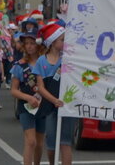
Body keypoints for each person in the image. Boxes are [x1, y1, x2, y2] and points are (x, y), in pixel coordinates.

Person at [35, 23, 74, 165]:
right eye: (62, 40)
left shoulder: (68, 59)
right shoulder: (41, 61)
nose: (64, 42)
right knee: (51, 145)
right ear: (52, 42)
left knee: (65, 142)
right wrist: (54, 100)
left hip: (66, 105)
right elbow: (40, 87)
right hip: (50, 106)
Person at [10, 27, 46, 165]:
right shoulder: (20, 65)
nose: (29, 46)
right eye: (27, 43)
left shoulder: (44, 63)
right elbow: (13, 90)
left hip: (42, 105)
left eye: (32, 43)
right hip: (26, 106)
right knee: (31, 141)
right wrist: (28, 97)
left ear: (39, 44)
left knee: (40, 143)